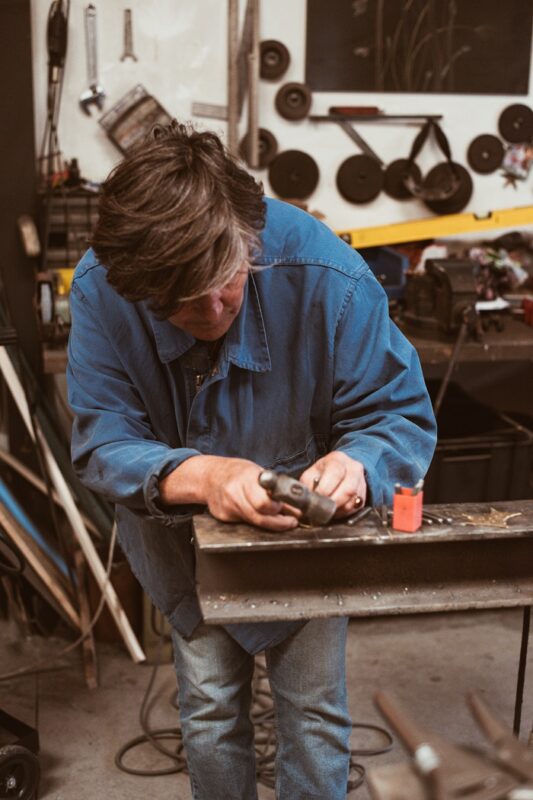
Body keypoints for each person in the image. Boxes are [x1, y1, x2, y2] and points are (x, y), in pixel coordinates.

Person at [67, 120, 436, 800]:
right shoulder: (100, 289)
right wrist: (204, 475)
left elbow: (395, 414)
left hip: (306, 548)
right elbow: (101, 443)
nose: (211, 309)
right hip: (182, 546)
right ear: (138, 287)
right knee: (208, 713)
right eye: (181, 301)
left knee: (314, 713)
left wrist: (358, 462)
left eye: (226, 282)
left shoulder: (326, 273)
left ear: (251, 240)